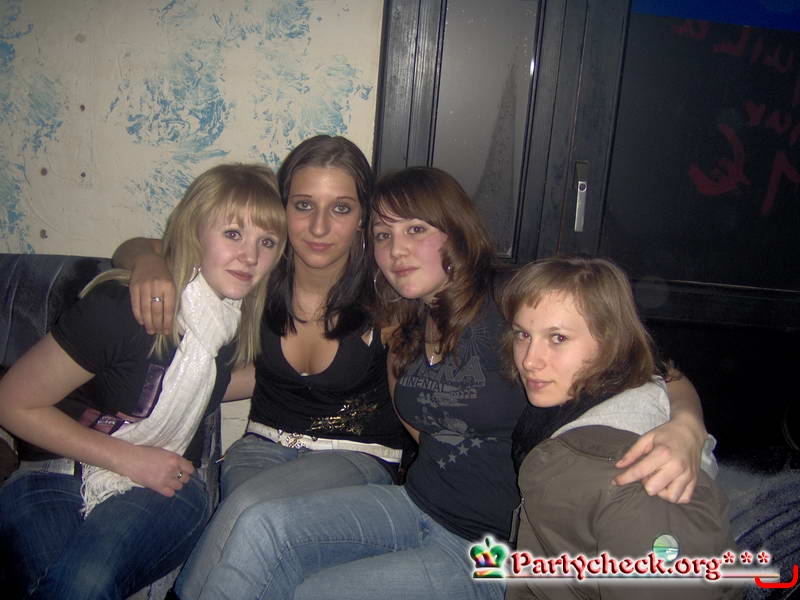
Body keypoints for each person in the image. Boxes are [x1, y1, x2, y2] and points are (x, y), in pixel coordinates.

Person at [187, 166, 710, 600]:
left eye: (416, 230)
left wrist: (686, 426)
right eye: (384, 235)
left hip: (487, 549)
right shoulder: (406, 317)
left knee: (317, 592)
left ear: (455, 233)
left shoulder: (509, 297)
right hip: (416, 504)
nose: (397, 250)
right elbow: (420, 425)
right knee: (264, 528)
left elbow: (651, 364)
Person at [111, 135, 407, 599]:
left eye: (341, 208)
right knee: (259, 556)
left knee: (251, 510)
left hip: (355, 457)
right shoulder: (258, 270)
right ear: (282, 207)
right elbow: (135, 247)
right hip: (261, 448)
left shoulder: (387, 291)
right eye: (304, 205)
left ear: (363, 217)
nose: (320, 226)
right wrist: (149, 263)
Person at [0, 163, 286, 599]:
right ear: (194, 233)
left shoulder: (233, 323)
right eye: (233, 233)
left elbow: (214, 385)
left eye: (267, 242)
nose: (250, 256)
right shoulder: (124, 307)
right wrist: (129, 459)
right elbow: (11, 402)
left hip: (167, 485)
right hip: (53, 472)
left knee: (86, 580)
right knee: (60, 581)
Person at [501, 256, 737, 599]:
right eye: (523, 334)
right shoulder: (576, 401)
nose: (529, 360)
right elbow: (666, 372)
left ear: (611, 342)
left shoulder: (644, 478)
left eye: (558, 338)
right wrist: (688, 419)